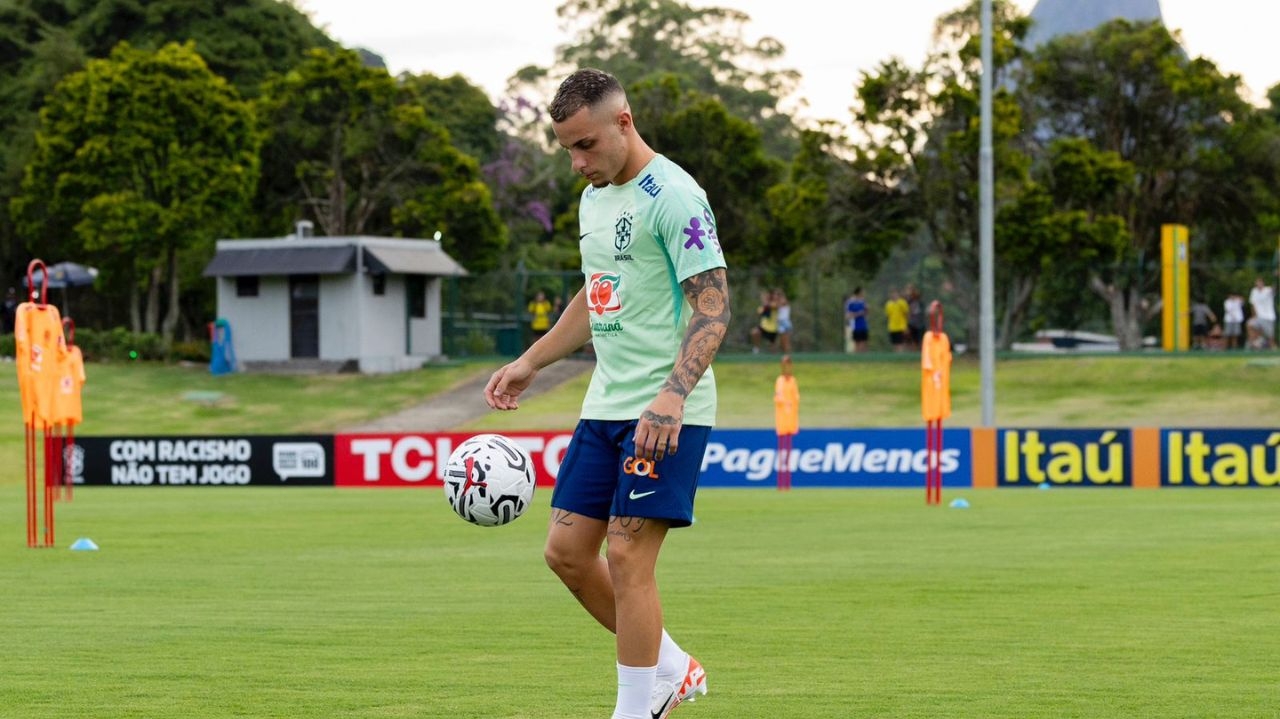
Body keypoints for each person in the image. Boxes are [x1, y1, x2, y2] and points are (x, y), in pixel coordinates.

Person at [483, 68, 723, 719]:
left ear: (624, 121)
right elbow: (596, 298)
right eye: (567, 148)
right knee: (565, 553)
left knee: (625, 554)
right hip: (604, 406)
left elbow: (714, 307)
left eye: (585, 144)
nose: (576, 161)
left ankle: (635, 709)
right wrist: (532, 359)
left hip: (667, 414)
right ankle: (671, 667)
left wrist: (672, 395)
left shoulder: (674, 195)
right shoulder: (593, 201)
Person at [773, 354, 800, 490]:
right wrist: (786, 403)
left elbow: (796, 397)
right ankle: (781, 482)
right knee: (782, 450)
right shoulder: (780, 380)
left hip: (791, 419)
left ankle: (787, 483)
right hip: (782, 418)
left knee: (788, 451)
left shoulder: (793, 381)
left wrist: (791, 404)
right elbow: (778, 397)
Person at [1247, 277, 1275, 349]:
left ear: (1263, 283)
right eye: (1257, 282)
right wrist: (1254, 315)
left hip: (1269, 316)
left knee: (1270, 335)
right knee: (1249, 324)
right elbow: (1252, 304)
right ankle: (1253, 344)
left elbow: (1274, 289)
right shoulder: (1254, 291)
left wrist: (1276, 278)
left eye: (1260, 282)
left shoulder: (1268, 290)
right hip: (1258, 316)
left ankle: (1272, 348)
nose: (1258, 284)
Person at [749, 289, 777, 353]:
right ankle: (756, 348)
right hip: (764, 327)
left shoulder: (774, 303)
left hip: (773, 328)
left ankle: (774, 357)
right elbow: (759, 311)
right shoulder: (764, 306)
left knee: (772, 347)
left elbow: (773, 306)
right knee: (754, 332)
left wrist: (765, 301)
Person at [885, 288, 910, 352]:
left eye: (895, 294)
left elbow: (906, 314)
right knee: (894, 343)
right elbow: (888, 316)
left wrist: (906, 326)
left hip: (901, 326)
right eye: (892, 294)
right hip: (892, 327)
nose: (894, 295)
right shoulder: (888, 304)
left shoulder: (902, 303)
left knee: (901, 343)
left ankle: (901, 355)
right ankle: (896, 356)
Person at [845, 287, 869, 353]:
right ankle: (857, 359)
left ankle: (865, 360)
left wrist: (867, 310)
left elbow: (866, 313)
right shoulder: (851, 302)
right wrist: (858, 314)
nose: (863, 293)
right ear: (858, 293)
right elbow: (847, 316)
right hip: (855, 326)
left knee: (864, 343)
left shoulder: (863, 301)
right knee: (857, 343)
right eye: (862, 292)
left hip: (864, 325)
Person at [905, 284, 925, 350]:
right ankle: (912, 354)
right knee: (911, 340)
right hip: (911, 323)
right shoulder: (907, 301)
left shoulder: (919, 301)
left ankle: (920, 353)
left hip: (919, 323)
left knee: (920, 340)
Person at [773, 288, 792, 354]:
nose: (774, 296)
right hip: (780, 323)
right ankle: (785, 355)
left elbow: (779, 304)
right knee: (782, 341)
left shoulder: (783, 301)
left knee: (786, 341)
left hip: (785, 322)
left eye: (776, 295)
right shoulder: (777, 302)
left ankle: (788, 356)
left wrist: (777, 298)